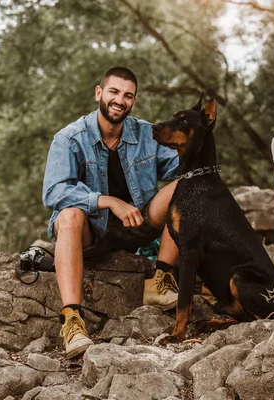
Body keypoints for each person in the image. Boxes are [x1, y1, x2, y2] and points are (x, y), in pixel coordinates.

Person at [42, 67, 180, 358]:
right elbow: (53, 192)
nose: (120, 100)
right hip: (93, 232)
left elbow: (181, 167)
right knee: (68, 215)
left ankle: (160, 279)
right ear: (99, 93)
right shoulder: (69, 138)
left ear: (134, 102)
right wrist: (105, 200)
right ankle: (73, 322)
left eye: (128, 95)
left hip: (140, 226)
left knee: (188, 184)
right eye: (114, 92)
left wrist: (196, 139)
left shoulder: (147, 133)